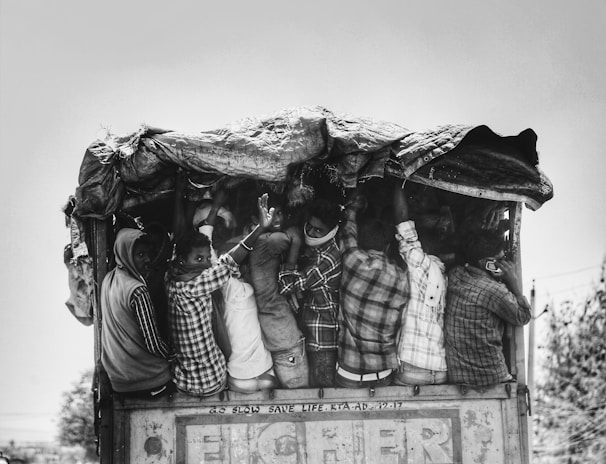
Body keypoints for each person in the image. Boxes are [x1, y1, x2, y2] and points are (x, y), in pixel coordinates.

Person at [165, 193, 276, 397]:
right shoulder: (198, 285)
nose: (206, 263)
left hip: (184, 381)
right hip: (212, 380)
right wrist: (260, 229)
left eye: (207, 258)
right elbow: (224, 264)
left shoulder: (171, 279)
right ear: (181, 260)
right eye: (199, 258)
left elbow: (220, 264)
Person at [195, 189, 279, 394]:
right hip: (266, 370)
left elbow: (206, 245)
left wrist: (215, 207)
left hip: (240, 376)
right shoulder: (256, 288)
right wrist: (261, 228)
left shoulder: (227, 287)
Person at [336, 190, 410, 388]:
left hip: (349, 372)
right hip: (382, 373)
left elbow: (347, 234)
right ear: (387, 247)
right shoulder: (402, 278)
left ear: (361, 243)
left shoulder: (353, 261)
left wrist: (352, 212)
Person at [444, 230, 531, 387]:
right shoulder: (495, 291)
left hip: (457, 375)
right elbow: (523, 317)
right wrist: (513, 283)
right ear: (487, 264)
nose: (505, 264)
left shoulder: (456, 275)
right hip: (490, 377)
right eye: (500, 260)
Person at [100, 228, 175, 399]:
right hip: (148, 380)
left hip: (118, 380)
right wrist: (172, 355)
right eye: (140, 255)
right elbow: (154, 345)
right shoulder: (137, 290)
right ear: (125, 254)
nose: (147, 260)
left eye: (148, 254)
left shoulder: (108, 280)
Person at [278, 198, 342, 387]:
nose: (311, 232)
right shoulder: (322, 249)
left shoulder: (326, 259)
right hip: (315, 333)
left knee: (323, 394)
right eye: (310, 226)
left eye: (318, 230)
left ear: (331, 232)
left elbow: (285, 286)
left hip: (323, 339)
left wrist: (295, 244)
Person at [249, 196, 310, 389]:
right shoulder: (269, 241)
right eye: (270, 213)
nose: (275, 218)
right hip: (284, 334)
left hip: (276, 331)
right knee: (298, 396)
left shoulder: (258, 242)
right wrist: (297, 240)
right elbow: (296, 237)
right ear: (254, 219)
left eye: (279, 212)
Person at [392, 186, 448, 386]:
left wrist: (397, 183)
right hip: (441, 369)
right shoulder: (445, 275)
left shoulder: (420, 264)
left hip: (413, 366)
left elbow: (401, 219)